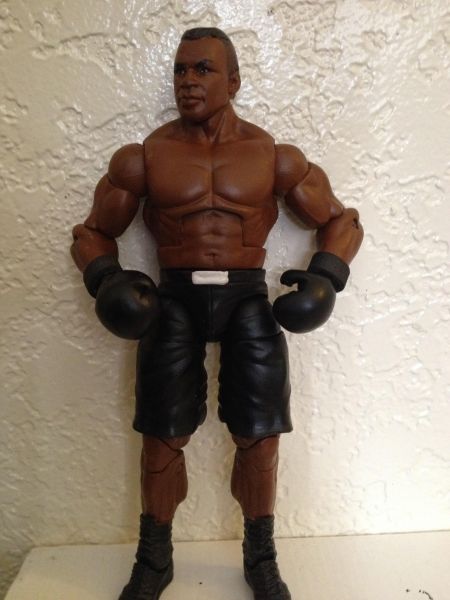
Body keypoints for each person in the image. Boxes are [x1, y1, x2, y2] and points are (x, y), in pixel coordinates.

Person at [71, 27, 363, 600]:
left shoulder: (272, 156)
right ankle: (154, 559)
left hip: (246, 298)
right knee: (162, 437)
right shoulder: (144, 157)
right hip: (174, 298)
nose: (188, 81)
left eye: (202, 70)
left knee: (261, 437)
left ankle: (261, 556)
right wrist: (106, 279)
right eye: (180, 70)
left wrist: (327, 277)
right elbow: (92, 233)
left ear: (233, 81)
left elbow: (342, 221)